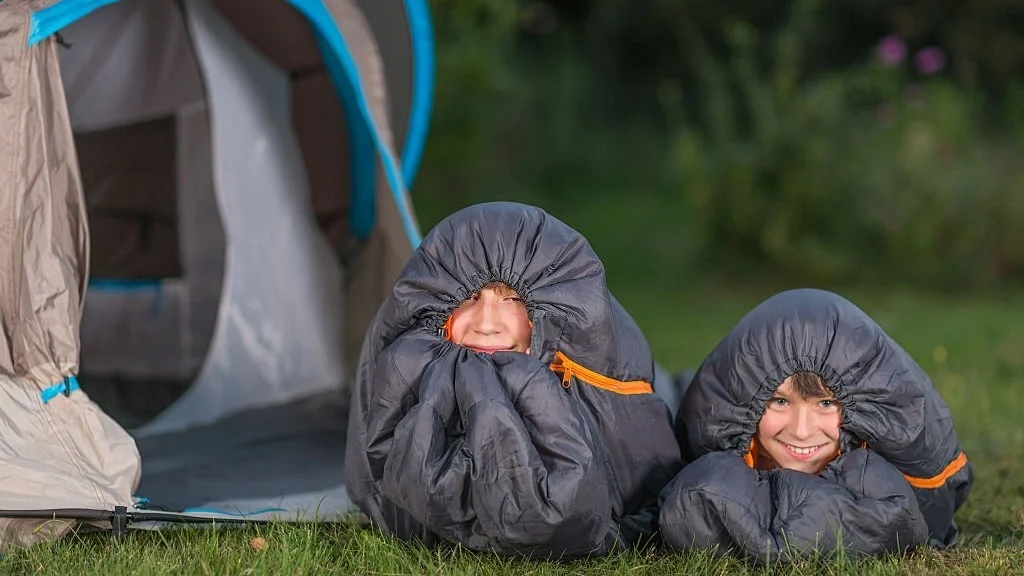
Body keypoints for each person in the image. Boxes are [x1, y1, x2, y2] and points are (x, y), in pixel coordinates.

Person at [344, 201, 682, 559]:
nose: (486, 323)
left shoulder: (586, 367)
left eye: (512, 300)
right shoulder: (411, 362)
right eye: (471, 297)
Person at [658, 288, 973, 563]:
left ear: (858, 402)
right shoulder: (719, 439)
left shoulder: (881, 452)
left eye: (825, 404)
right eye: (780, 402)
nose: (802, 430)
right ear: (746, 400)